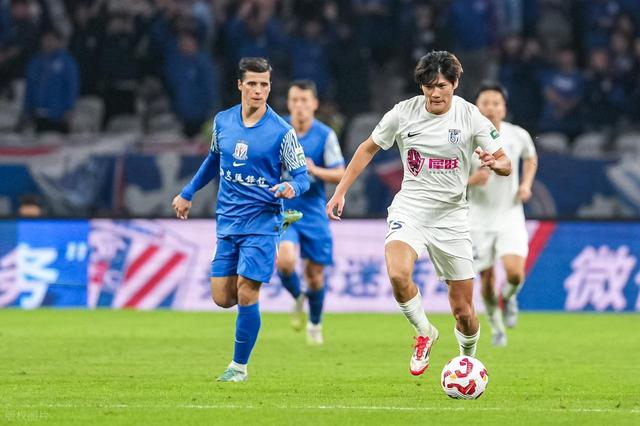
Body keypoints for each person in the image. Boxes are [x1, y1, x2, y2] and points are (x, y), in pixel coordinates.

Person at [326, 51, 511, 376]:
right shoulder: (403, 113)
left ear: (454, 83)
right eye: (428, 86)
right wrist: (340, 191)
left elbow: (505, 162)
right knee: (398, 275)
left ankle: (466, 361)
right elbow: (368, 147)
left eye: (441, 85)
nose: (434, 93)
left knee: (464, 312)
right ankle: (424, 331)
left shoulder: (470, 116)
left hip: (452, 217)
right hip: (410, 209)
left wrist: (495, 164)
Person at [172, 57, 309, 382]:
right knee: (222, 297)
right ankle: (281, 226)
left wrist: (291, 187)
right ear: (240, 85)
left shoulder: (282, 132)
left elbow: (302, 176)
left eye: (264, 84)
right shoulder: (223, 122)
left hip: (261, 219)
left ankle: (238, 367)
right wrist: (188, 192)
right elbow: (213, 160)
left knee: (248, 291)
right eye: (252, 84)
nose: (259, 90)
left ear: (269, 87)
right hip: (229, 219)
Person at [467, 81, 538, 346]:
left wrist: (526, 185)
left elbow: (530, 158)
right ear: (476, 108)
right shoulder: (465, 138)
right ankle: (497, 327)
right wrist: (471, 180)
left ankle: (508, 297)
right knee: (486, 281)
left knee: (515, 274)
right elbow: (450, 177)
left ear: (504, 108)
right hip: (477, 218)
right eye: (485, 103)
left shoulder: (517, 135)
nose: (490, 108)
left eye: (495, 103)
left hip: (510, 214)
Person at [276, 80, 345, 344]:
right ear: (289, 103)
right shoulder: (277, 130)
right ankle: (297, 297)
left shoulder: (325, 135)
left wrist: (314, 170)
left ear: (314, 104)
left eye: (304, 100)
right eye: (294, 100)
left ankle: (315, 324)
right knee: (285, 261)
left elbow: (340, 172)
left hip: (314, 213)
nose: (299, 106)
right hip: (284, 211)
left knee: (315, 276)